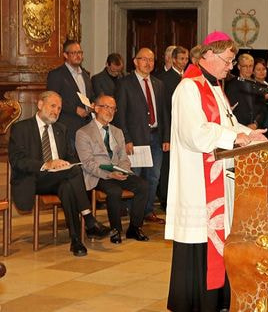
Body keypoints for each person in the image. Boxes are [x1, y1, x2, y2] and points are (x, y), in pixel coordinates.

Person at [165, 31, 267, 311]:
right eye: (228, 59)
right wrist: (235, 138)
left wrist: (250, 134)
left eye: (233, 61)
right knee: (200, 244)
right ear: (208, 54)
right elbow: (195, 134)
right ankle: (197, 303)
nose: (231, 66)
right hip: (199, 185)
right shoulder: (188, 88)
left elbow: (228, 124)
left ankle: (217, 301)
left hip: (217, 179)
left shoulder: (214, 88)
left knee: (218, 243)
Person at [8, 91, 110, 256]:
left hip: (59, 178)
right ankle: (89, 219)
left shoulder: (61, 129)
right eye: (53, 106)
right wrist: (46, 164)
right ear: (40, 105)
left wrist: (68, 163)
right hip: (34, 178)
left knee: (68, 185)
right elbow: (18, 160)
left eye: (59, 108)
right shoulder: (21, 128)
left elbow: (70, 156)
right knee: (73, 174)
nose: (56, 111)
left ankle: (76, 241)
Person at [75, 95, 150, 244]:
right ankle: (116, 230)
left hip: (118, 171)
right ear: (96, 108)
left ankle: (134, 228)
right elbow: (88, 164)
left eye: (113, 108)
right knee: (114, 191)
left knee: (143, 186)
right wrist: (110, 174)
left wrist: (122, 171)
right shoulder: (83, 133)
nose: (110, 111)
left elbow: (124, 158)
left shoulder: (117, 132)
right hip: (98, 175)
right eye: (106, 107)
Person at [114, 48, 170, 224]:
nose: (148, 63)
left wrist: (166, 137)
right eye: (144, 59)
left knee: (154, 176)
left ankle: (147, 211)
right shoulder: (125, 83)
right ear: (135, 61)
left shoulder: (158, 84)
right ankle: (133, 212)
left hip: (156, 136)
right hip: (135, 139)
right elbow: (120, 114)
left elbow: (164, 113)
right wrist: (126, 139)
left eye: (151, 60)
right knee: (135, 176)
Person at [158, 46, 189, 211]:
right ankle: (165, 199)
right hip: (170, 127)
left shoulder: (188, 77)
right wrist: (166, 137)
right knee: (167, 166)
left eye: (186, 59)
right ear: (174, 59)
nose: (184, 62)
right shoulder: (165, 78)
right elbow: (164, 109)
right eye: (181, 59)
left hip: (184, 128)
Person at [46, 39, 94, 141]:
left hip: (86, 124)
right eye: (74, 53)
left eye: (80, 52)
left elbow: (91, 96)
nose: (78, 56)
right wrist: (74, 109)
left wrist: (92, 105)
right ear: (66, 55)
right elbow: (52, 99)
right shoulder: (56, 75)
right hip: (67, 125)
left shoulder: (85, 75)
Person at [225, 53, 265, 129]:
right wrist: (244, 127)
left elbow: (263, 109)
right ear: (239, 67)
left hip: (256, 128)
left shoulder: (257, 85)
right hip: (239, 128)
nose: (248, 69)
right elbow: (232, 110)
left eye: (250, 66)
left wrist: (256, 124)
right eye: (245, 66)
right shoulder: (231, 85)